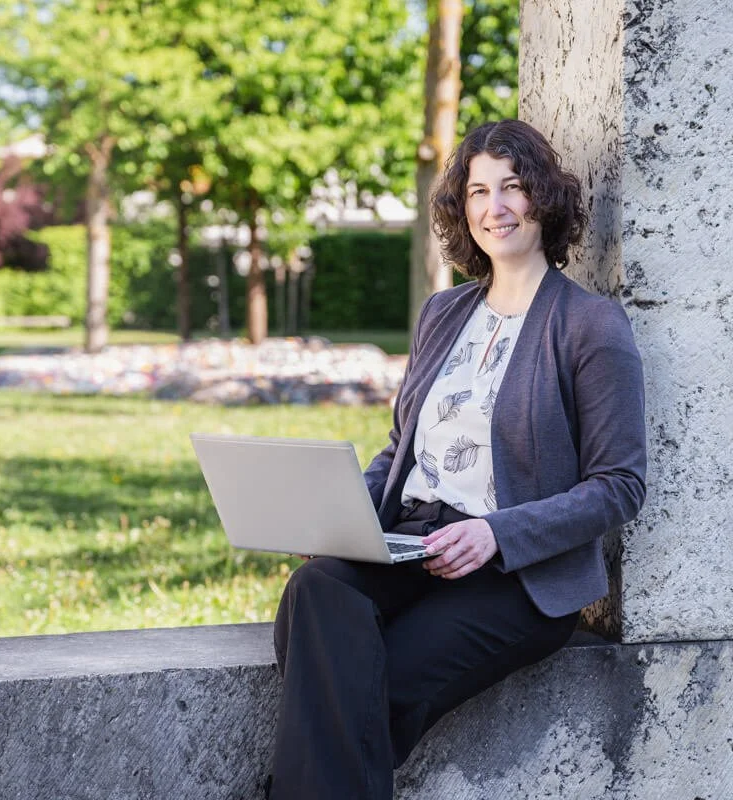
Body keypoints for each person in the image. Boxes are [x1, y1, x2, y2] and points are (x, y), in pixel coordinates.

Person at [266, 119, 647, 799]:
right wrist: (339, 516)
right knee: (316, 589)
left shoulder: (591, 325)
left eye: (512, 186)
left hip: (515, 576)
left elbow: (619, 485)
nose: (494, 207)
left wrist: (495, 534)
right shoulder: (442, 313)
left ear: (544, 197)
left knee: (359, 686)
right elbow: (401, 447)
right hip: (412, 541)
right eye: (477, 191)